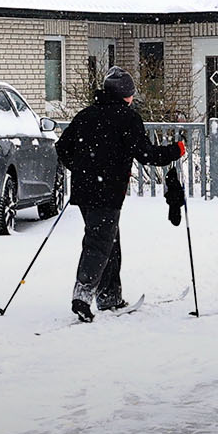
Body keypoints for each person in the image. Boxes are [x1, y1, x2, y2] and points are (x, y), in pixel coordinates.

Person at [55, 67, 185, 321]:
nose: (133, 98)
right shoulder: (127, 118)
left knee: (108, 241)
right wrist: (175, 150)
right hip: (108, 191)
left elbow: (62, 147)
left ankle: (109, 296)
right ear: (125, 95)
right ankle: (82, 296)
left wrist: (82, 169)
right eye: (131, 94)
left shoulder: (86, 115)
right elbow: (146, 154)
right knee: (99, 242)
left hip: (85, 190)